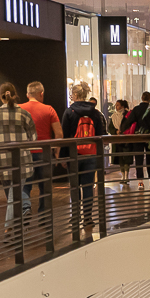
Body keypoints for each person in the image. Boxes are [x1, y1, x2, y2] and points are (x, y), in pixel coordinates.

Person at [0, 82, 37, 236]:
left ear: (0, 96)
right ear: (15, 94)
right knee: (14, 193)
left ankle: (10, 227)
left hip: (2, 161)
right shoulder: (24, 114)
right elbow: (33, 138)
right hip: (23, 161)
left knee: (11, 193)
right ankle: (13, 225)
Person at [60, 82, 106, 227]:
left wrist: (63, 156)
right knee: (88, 186)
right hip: (91, 154)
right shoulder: (95, 112)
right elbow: (101, 135)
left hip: (74, 154)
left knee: (74, 186)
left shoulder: (69, 112)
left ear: (75, 95)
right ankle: (88, 218)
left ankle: (75, 217)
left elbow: (65, 136)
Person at [18, 82, 61, 223]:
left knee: (25, 185)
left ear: (27, 94)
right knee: (45, 187)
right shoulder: (49, 109)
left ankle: (26, 208)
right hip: (44, 152)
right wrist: (56, 151)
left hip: (25, 153)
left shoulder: (19, 109)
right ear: (41, 94)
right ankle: (43, 216)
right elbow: (59, 133)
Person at [127, 91, 150, 184]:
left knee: (139, 158)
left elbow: (129, 121)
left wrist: (121, 130)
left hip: (138, 136)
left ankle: (140, 181)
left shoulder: (136, 109)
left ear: (141, 98)